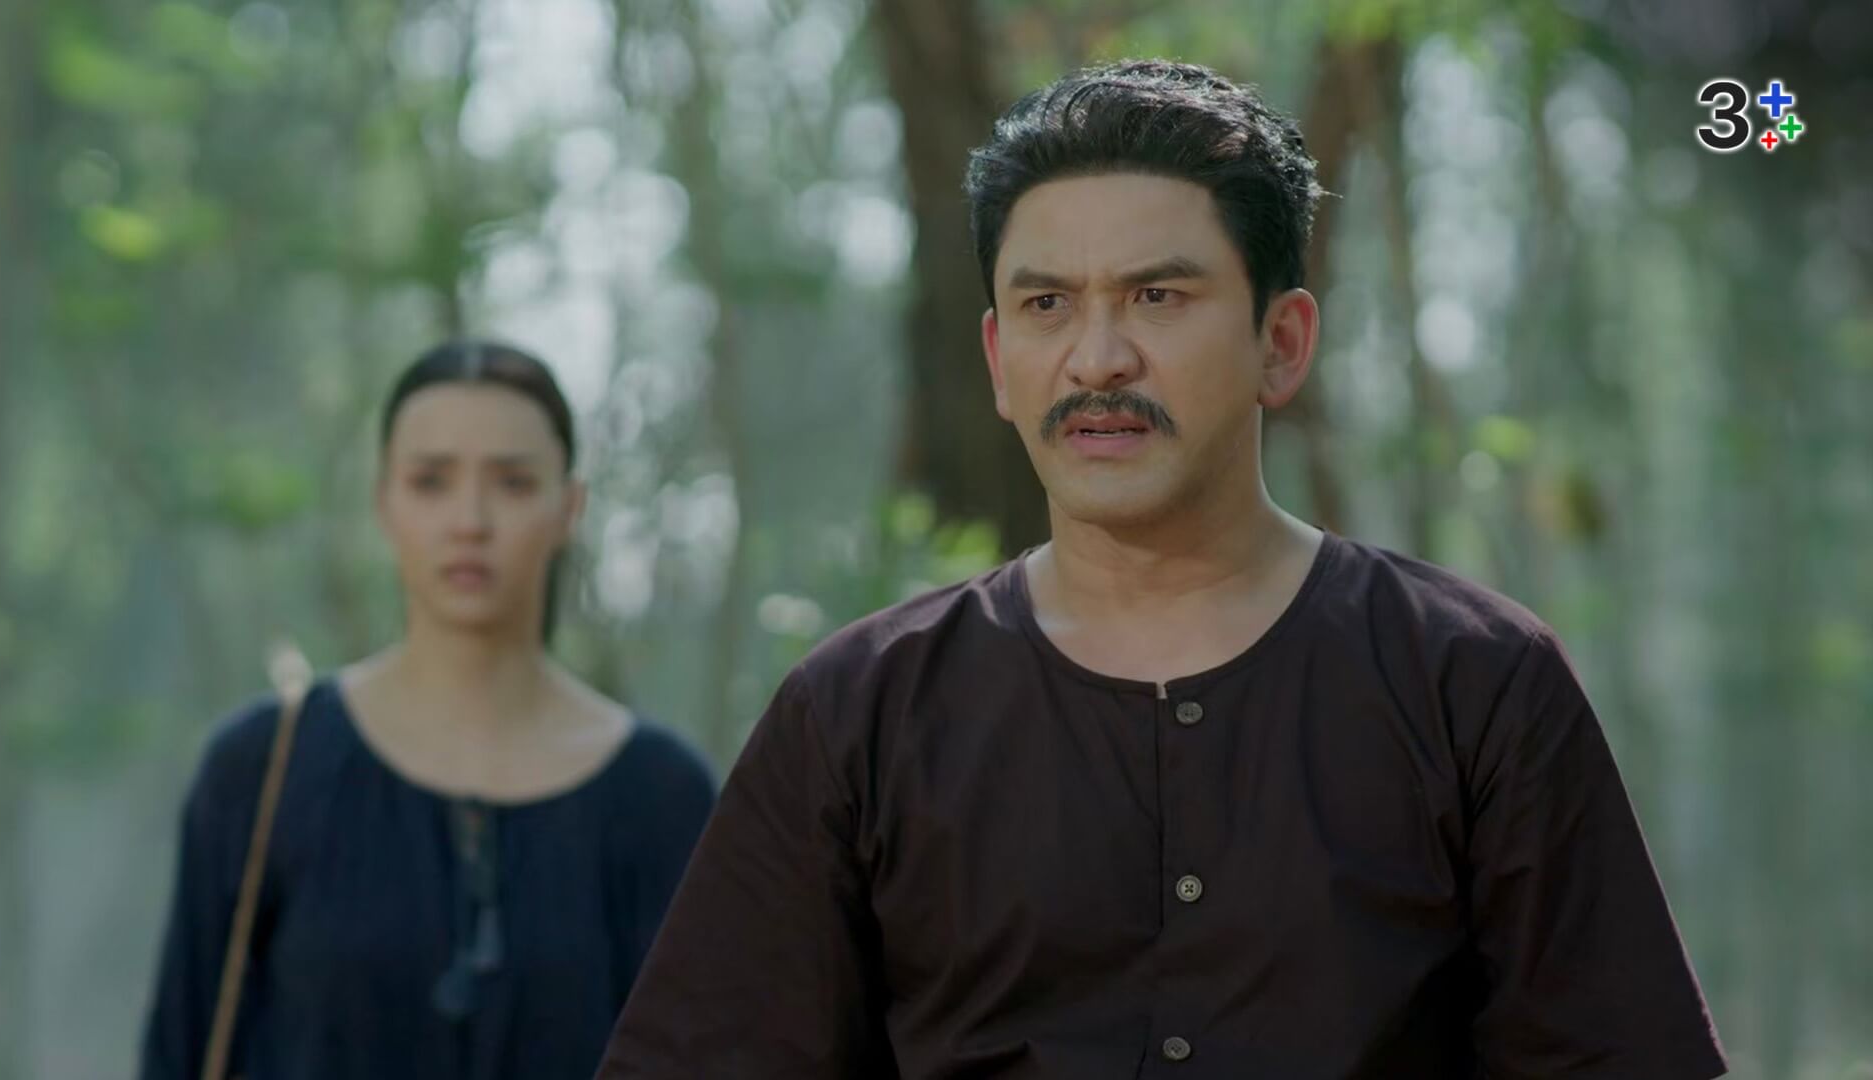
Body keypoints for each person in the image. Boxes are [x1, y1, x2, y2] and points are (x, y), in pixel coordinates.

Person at [597, 59, 1726, 1078]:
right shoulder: (860, 715)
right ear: (998, 358)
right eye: (1047, 305)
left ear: (1281, 344)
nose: (1097, 359)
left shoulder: (1473, 685)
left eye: (1157, 297)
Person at [139, 341, 716, 1079]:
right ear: (385, 500)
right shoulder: (262, 770)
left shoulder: (662, 798)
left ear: (568, 508)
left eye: (513, 483)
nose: (469, 520)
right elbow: (180, 1050)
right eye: (431, 481)